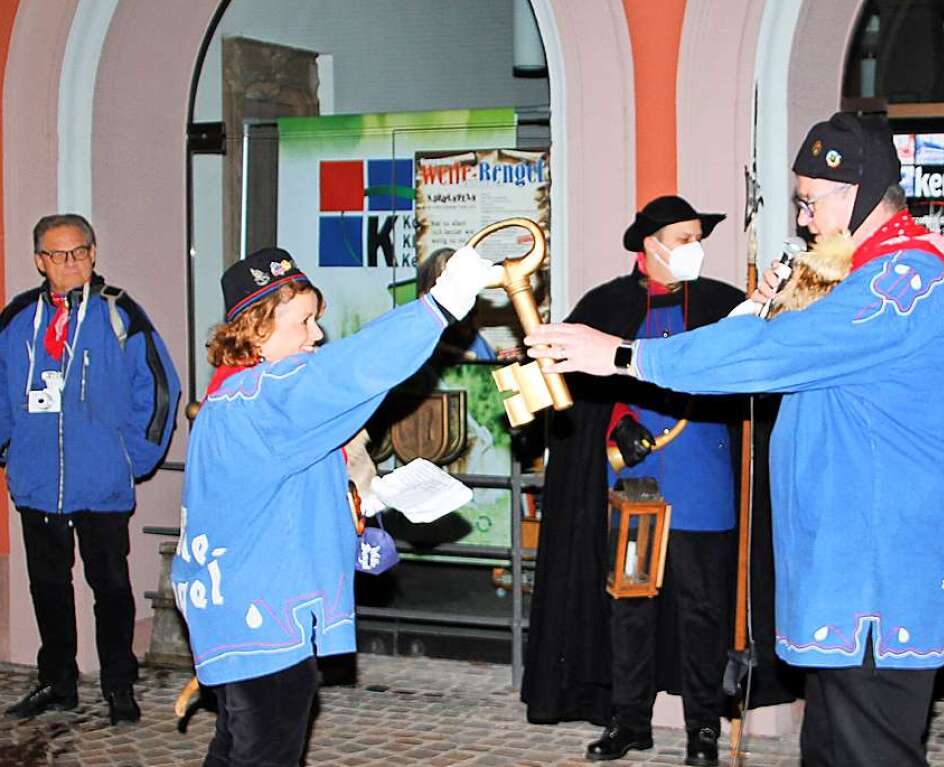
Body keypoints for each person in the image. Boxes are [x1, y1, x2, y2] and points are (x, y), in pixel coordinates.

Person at [525, 112, 944, 767]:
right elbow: (760, 334)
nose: (801, 220)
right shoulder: (854, 268)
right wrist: (768, 302)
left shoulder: (897, 285)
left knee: (869, 748)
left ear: (857, 193)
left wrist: (621, 356)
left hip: (875, 575)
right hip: (848, 569)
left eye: (808, 203)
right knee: (829, 746)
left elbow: (767, 352)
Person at [171, 245, 497, 766]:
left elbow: (280, 489)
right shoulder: (263, 396)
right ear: (256, 330)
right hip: (264, 624)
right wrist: (439, 304)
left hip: (242, 614)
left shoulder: (235, 398)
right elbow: (349, 373)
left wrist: (367, 499)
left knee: (235, 748)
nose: (316, 335)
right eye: (302, 322)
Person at [521, 196, 743, 766]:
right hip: (633, 482)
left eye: (699, 236)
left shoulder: (724, 305)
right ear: (651, 245)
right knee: (631, 605)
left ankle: (702, 728)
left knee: (702, 609)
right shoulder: (606, 306)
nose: (695, 246)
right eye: (684, 236)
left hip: (703, 481)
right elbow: (571, 384)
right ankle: (629, 722)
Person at [1, 213, 181, 724]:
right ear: (40, 261)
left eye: (79, 252)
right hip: (37, 483)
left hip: (102, 482)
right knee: (49, 589)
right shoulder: (17, 319)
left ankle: (119, 686)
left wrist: (133, 458)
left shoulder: (120, 315)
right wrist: (7, 446)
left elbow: (160, 389)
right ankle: (57, 682)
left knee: (112, 589)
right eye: (58, 255)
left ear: (94, 253)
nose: (70, 263)